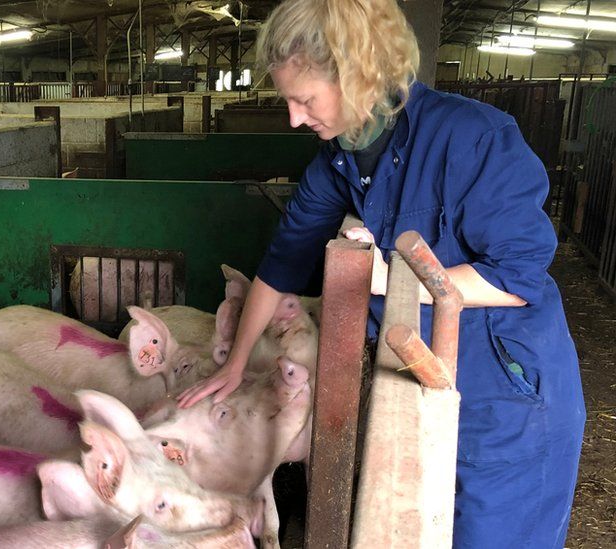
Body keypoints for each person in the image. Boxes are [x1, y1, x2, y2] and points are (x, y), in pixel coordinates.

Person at [176, 0, 586, 547]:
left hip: (507, 399)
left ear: (357, 73)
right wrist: (239, 361)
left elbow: (517, 278)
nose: (295, 117)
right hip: (412, 382)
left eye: (305, 99)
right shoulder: (341, 158)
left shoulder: (473, 136)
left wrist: (384, 277)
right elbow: (283, 262)